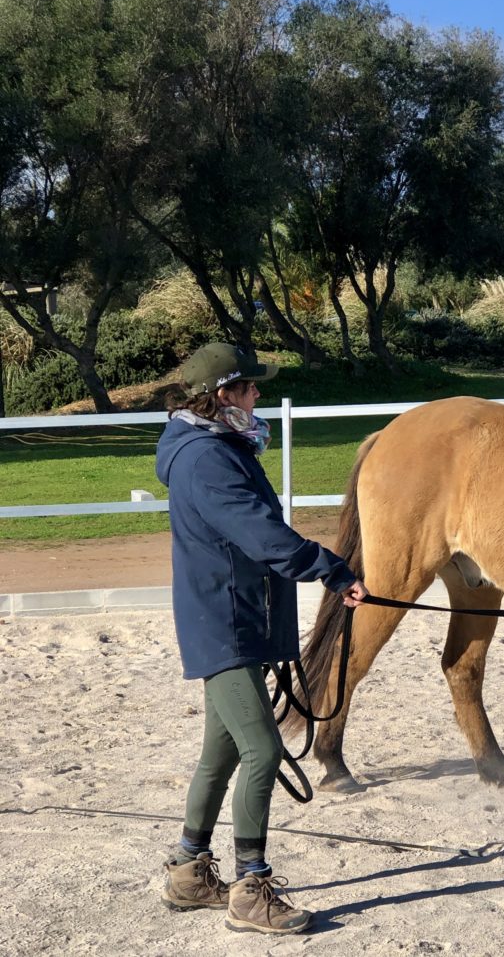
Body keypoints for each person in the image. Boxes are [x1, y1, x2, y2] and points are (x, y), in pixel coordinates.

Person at [154, 342, 368, 936]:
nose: (257, 397)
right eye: (249, 388)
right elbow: (260, 533)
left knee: (221, 753)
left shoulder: (217, 447)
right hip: (225, 623)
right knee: (264, 752)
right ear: (222, 395)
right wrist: (331, 567)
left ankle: (188, 870)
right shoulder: (207, 460)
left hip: (236, 615)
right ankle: (251, 886)